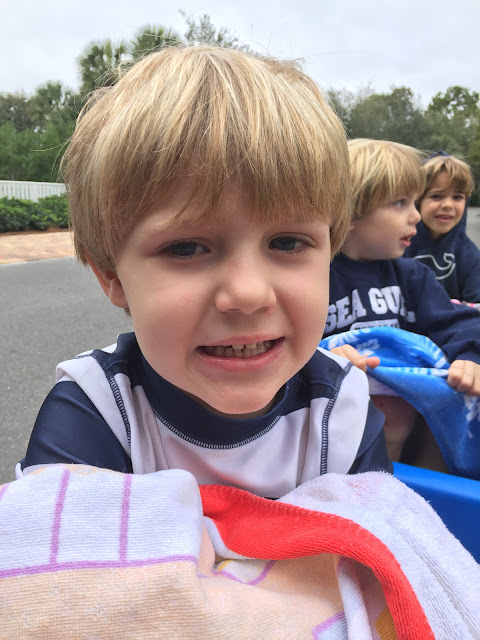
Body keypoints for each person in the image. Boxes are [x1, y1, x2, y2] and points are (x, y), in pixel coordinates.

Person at [19, 47, 392, 495]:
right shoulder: (97, 414)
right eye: (186, 248)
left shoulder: (342, 411)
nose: (248, 293)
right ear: (110, 275)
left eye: (287, 243)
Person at [325, 138, 480, 465]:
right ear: (349, 212)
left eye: (415, 202)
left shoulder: (413, 276)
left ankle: (432, 484)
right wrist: (323, 356)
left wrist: (468, 358)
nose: (416, 216)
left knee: (450, 394)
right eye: (400, 203)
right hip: (334, 424)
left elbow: (456, 323)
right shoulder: (316, 277)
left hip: (408, 422)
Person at [404, 153, 480, 302]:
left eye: (457, 197)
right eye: (437, 196)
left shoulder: (469, 254)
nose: (448, 205)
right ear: (418, 201)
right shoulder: (398, 245)